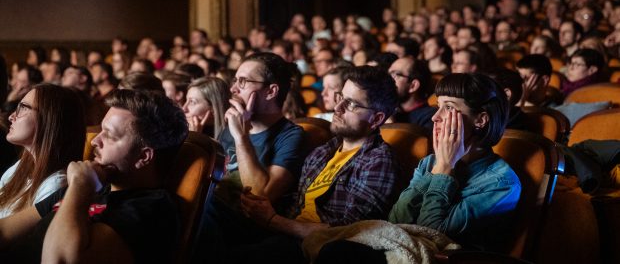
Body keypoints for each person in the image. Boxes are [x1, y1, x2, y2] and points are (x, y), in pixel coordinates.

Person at [315, 73, 521, 263]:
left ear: (481, 120)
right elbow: (397, 221)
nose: (435, 117)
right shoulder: (430, 162)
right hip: (404, 251)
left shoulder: (501, 183)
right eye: (437, 106)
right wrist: (439, 165)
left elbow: (431, 233)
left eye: (448, 107)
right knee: (334, 249)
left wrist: (444, 168)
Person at [229, 66, 402, 264]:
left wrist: (272, 220)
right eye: (340, 98)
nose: (338, 108)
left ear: (377, 119)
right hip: (286, 234)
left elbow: (348, 231)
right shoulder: (323, 151)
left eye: (352, 104)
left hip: (319, 249)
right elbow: (296, 206)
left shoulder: (379, 160)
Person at [0, 89, 188, 263]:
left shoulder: (151, 210)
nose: (96, 141)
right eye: (100, 130)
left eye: (110, 135)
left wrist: (80, 187)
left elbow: (59, 260)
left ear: (143, 156)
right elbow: (5, 231)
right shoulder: (94, 184)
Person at [194, 52, 305, 262]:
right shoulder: (229, 128)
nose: (233, 89)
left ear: (271, 91)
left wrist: (241, 137)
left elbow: (261, 196)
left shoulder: (291, 136)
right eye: (235, 80)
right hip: (214, 214)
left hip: (246, 225)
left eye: (243, 82)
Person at [0, 84, 85, 218]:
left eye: (22, 108)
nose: (11, 116)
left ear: (49, 119)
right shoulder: (21, 167)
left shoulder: (55, 185)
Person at [388, 57, 437, 132]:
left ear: (413, 86)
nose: (388, 79)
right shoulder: (391, 109)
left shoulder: (431, 117)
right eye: (389, 74)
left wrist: (390, 127)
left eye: (395, 74)